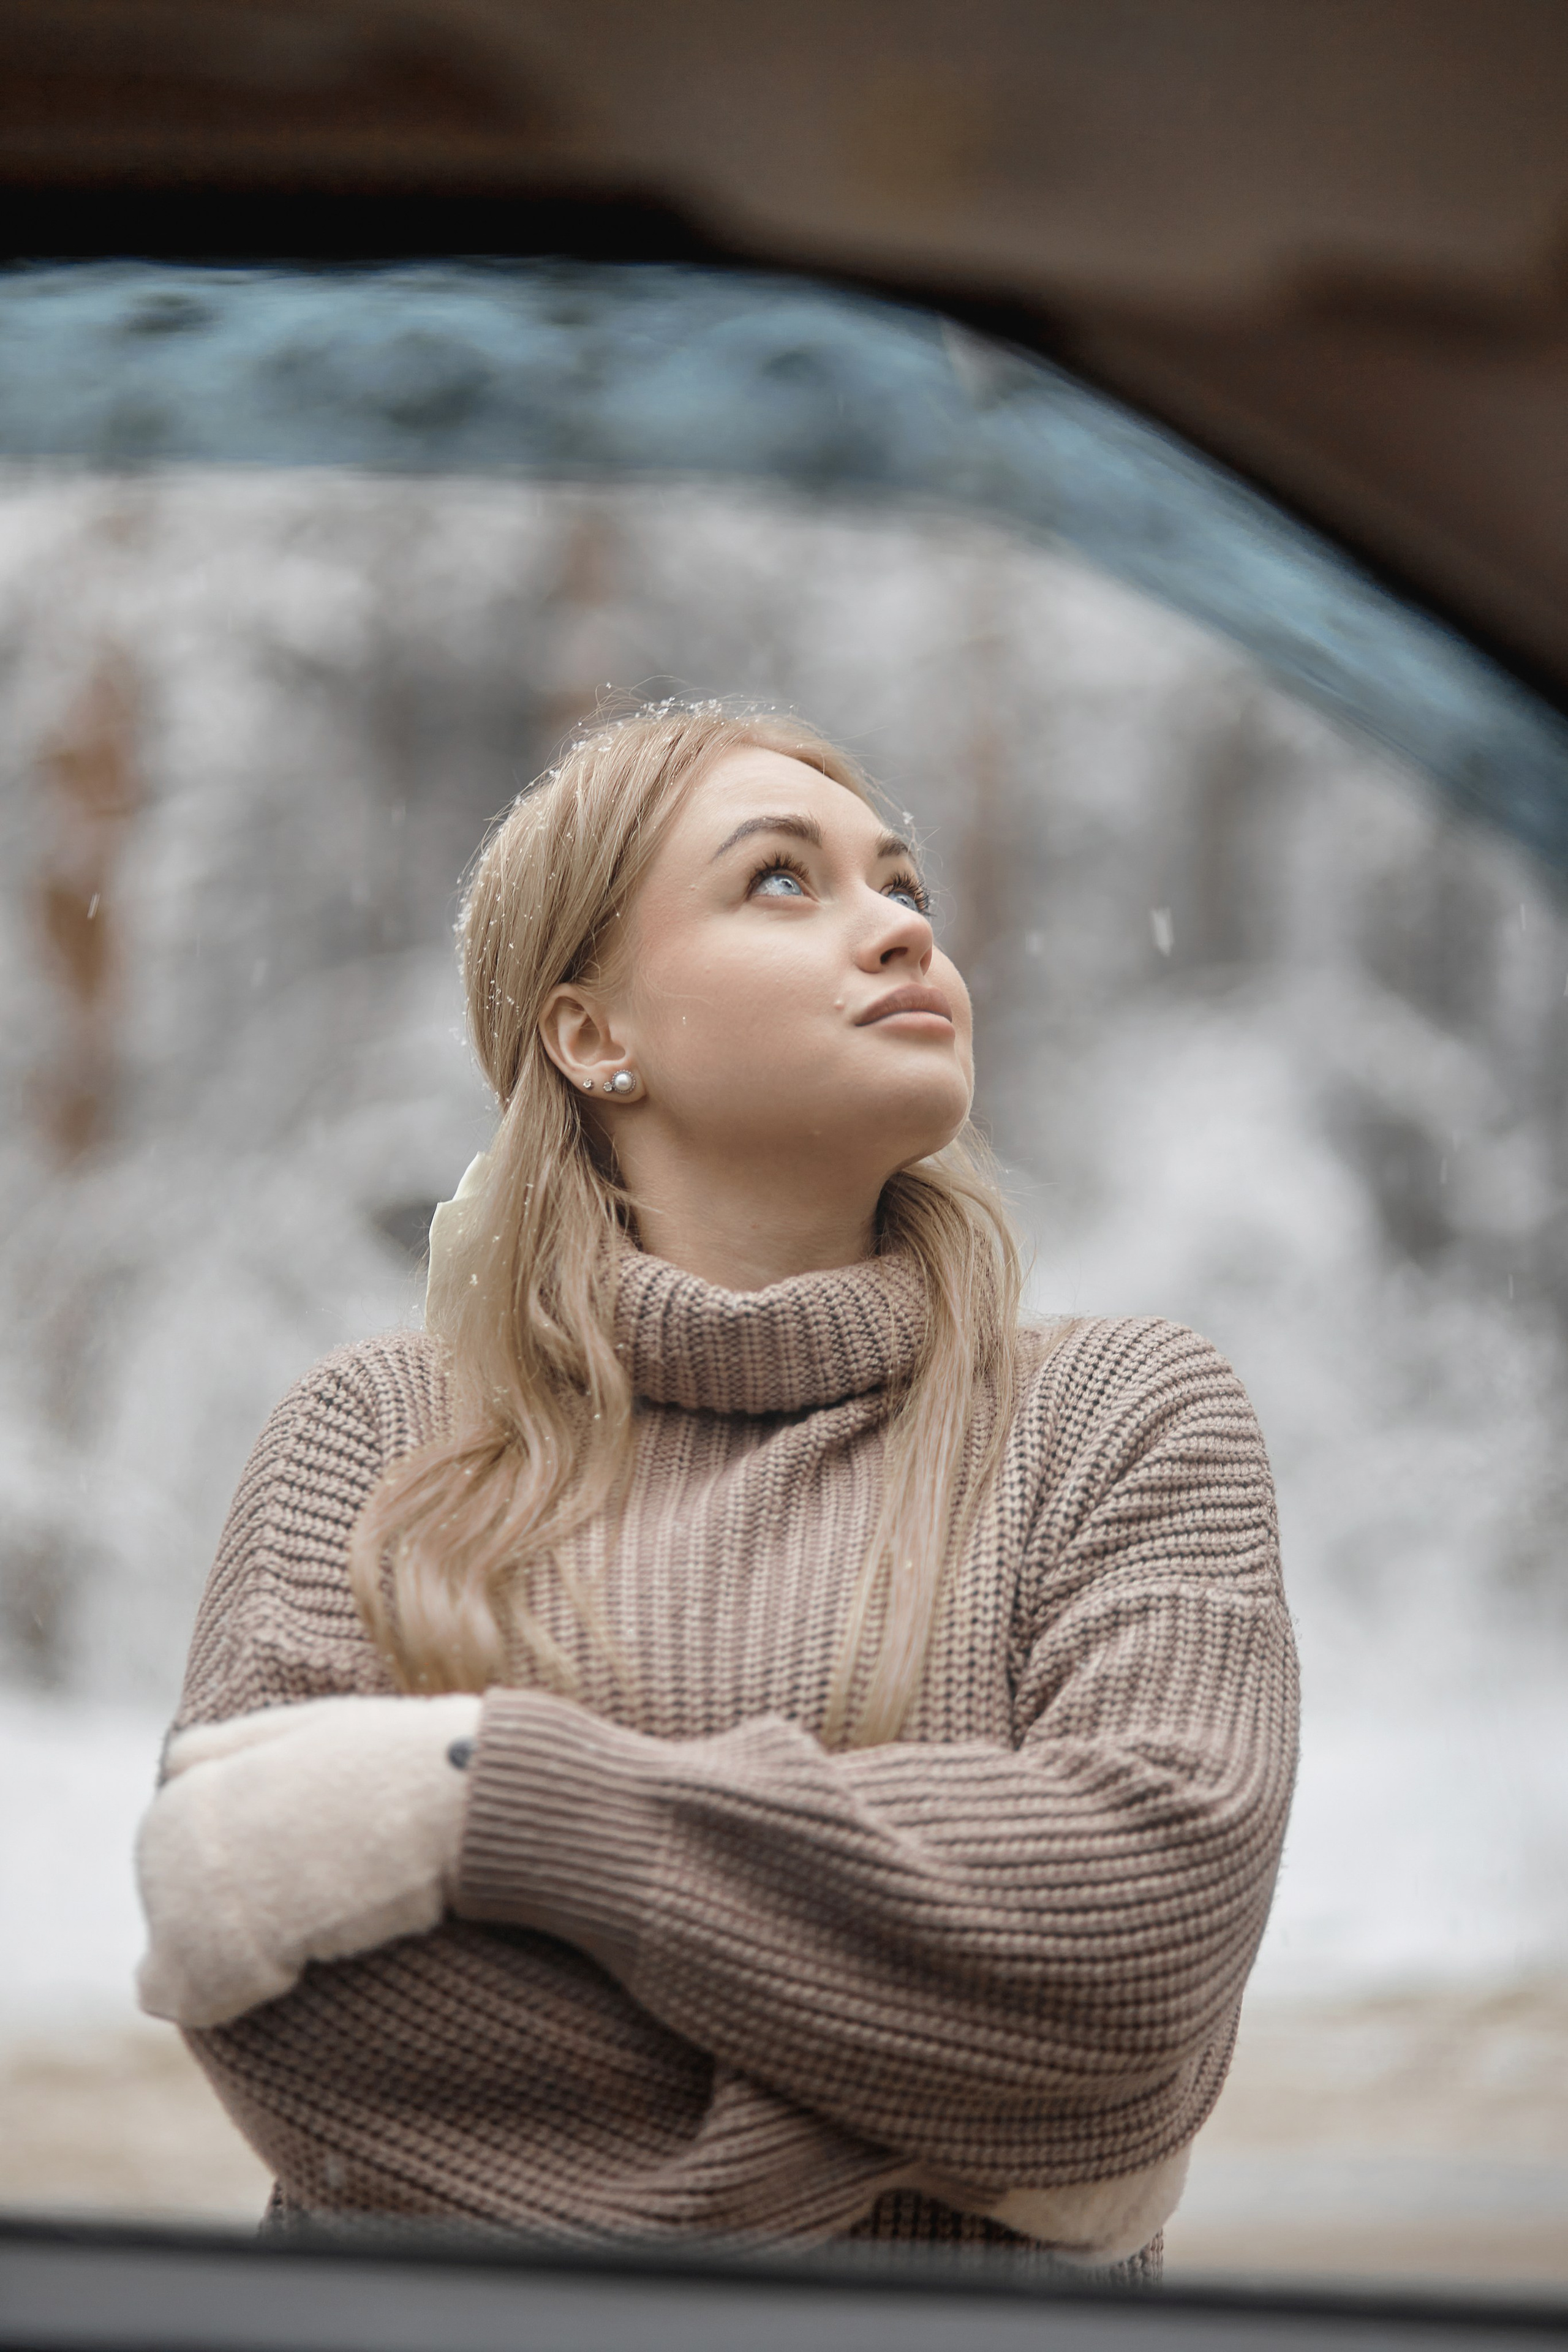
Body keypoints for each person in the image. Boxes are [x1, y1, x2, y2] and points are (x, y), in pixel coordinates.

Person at [134, 702, 1298, 2277]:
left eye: (903, 886)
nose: (894, 927)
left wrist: (479, 1799)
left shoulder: (1120, 1417)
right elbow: (281, 1996)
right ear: (590, 1035)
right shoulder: (377, 1441)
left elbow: (1136, 1936)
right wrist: (1019, 2132)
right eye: (779, 881)